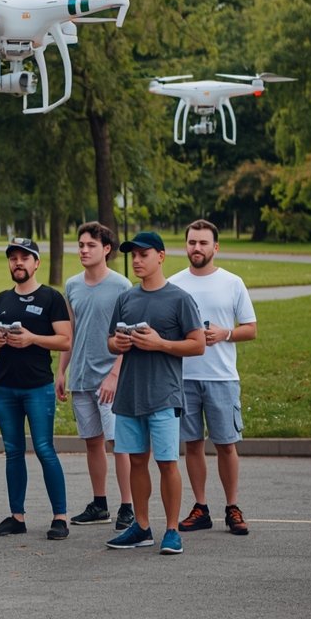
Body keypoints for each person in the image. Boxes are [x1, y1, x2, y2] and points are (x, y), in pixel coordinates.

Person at [105, 230, 204, 555]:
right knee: (136, 461)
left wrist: (161, 343)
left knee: (166, 463)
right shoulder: (126, 298)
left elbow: (198, 345)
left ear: (160, 257)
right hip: (129, 395)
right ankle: (142, 527)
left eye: (143, 254)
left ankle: (172, 530)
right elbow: (110, 341)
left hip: (164, 395)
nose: (136, 260)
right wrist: (118, 343)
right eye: (133, 255)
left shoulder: (179, 298)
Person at [168, 219, 257, 535]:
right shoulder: (174, 284)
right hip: (185, 377)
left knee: (226, 444)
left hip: (222, 377)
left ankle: (232, 507)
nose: (197, 248)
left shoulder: (232, 282)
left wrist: (225, 333)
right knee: (192, 444)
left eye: (203, 243)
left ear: (215, 247)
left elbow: (251, 329)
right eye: (192, 242)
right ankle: (200, 507)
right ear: (186, 246)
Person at [0, 237, 73, 541]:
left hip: (38, 386)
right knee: (13, 452)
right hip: (4, 387)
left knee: (44, 449)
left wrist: (32, 338)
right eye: (13, 258)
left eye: (25, 258)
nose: (18, 263)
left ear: (37, 263)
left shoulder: (51, 297)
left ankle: (60, 517)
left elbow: (65, 340)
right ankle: (17, 517)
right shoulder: (2, 299)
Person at [56, 222, 135, 531]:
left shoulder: (122, 286)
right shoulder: (72, 285)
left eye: (91, 245)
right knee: (92, 443)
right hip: (81, 377)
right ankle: (100, 504)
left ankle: (127, 506)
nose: (84, 250)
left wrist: (115, 374)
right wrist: (61, 371)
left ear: (106, 249)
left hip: (110, 380)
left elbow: (127, 336)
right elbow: (70, 332)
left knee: (119, 443)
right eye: (81, 245)